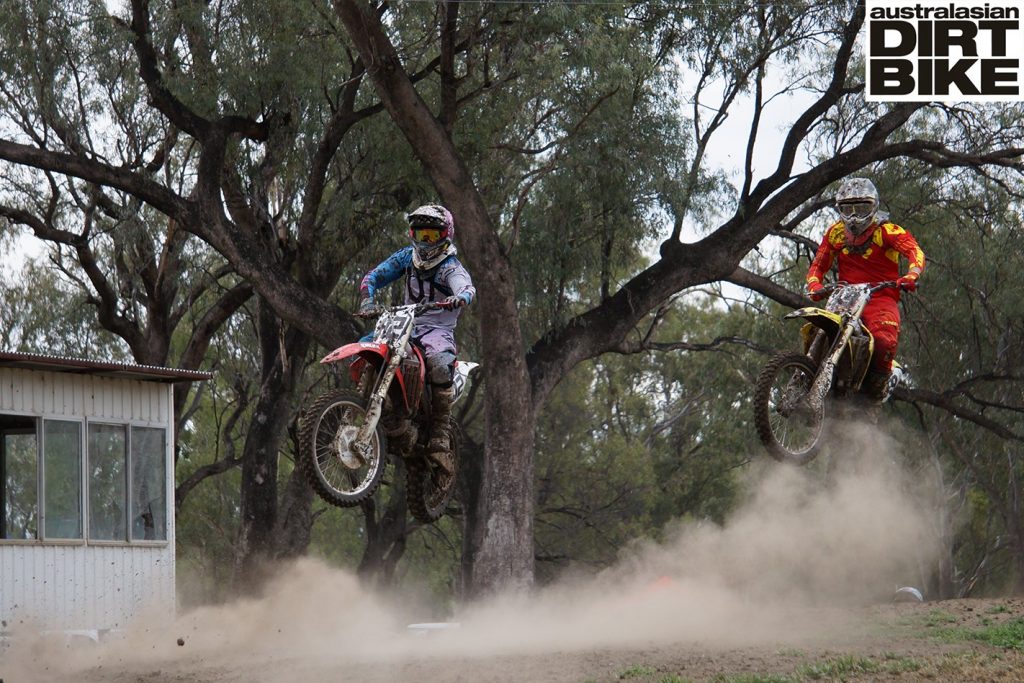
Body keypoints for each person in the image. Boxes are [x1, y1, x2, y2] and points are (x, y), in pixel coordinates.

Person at [357, 204, 475, 457]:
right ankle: (369, 405)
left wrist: (460, 297)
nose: (425, 241)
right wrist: (368, 298)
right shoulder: (405, 258)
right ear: (413, 234)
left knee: (440, 364)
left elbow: (466, 287)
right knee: (366, 347)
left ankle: (440, 431)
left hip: (436, 328)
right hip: (403, 321)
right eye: (421, 234)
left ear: (445, 235)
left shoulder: (449, 267)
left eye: (431, 235)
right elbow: (374, 276)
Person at [805, 177, 925, 401]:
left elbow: (914, 251)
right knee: (815, 329)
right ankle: (806, 375)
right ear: (839, 209)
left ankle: (876, 391)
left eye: (861, 208)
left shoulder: (887, 231)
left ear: (874, 206)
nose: (854, 216)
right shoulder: (835, 233)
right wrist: (815, 284)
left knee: (883, 340)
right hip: (845, 297)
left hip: (880, 297)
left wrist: (911, 275)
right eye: (847, 209)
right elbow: (819, 264)